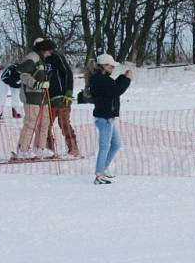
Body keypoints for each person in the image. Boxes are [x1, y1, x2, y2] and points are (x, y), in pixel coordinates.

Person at [90, 53, 132, 184]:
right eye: (111, 66)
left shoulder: (103, 78)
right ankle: (98, 175)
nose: (113, 68)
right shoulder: (101, 79)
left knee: (116, 144)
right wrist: (127, 79)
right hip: (105, 118)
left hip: (108, 117)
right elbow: (116, 90)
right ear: (103, 66)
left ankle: (103, 169)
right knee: (105, 147)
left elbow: (113, 87)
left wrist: (123, 77)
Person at [13, 38, 56, 159]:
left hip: (43, 95)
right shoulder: (32, 57)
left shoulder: (43, 60)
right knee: (30, 123)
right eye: (49, 50)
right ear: (43, 48)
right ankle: (22, 150)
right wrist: (38, 84)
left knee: (45, 122)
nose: (50, 53)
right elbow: (23, 74)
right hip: (32, 95)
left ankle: (40, 148)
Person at [44, 48, 80, 157]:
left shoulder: (57, 57)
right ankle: (49, 150)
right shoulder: (40, 61)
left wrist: (68, 91)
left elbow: (68, 73)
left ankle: (73, 148)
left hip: (62, 97)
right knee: (45, 125)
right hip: (48, 99)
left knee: (63, 123)